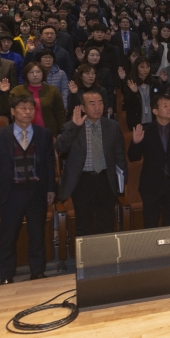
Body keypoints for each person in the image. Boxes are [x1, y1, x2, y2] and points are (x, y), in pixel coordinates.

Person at [0, 93, 56, 284]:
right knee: (7, 237)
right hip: (10, 193)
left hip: (36, 191)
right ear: (13, 111)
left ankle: (38, 272)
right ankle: (6, 276)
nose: (28, 112)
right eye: (23, 108)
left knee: (37, 235)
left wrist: (50, 189)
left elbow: (49, 164)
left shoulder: (43, 134)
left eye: (31, 108)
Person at [55, 87, 128, 236]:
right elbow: (60, 147)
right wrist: (75, 127)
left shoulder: (112, 126)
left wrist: (122, 181)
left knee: (106, 223)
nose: (97, 107)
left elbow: (120, 155)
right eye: (92, 104)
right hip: (82, 181)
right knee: (84, 224)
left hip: (106, 179)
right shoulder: (72, 126)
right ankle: (86, 259)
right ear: (82, 107)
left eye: (100, 103)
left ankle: (105, 258)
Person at [127, 94, 170, 239]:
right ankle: (152, 254)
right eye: (165, 106)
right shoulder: (146, 130)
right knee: (150, 222)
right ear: (155, 111)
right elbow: (133, 157)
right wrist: (136, 142)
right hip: (151, 185)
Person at [10, 62, 67, 136]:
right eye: (31, 72)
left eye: (38, 72)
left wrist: (61, 133)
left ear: (43, 73)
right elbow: (7, 110)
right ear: (26, 74)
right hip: (22, 132)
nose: (35, 75)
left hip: (48, 132)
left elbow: (60, 114)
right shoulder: (17, 90)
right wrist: (3, 93)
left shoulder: (53, 90)